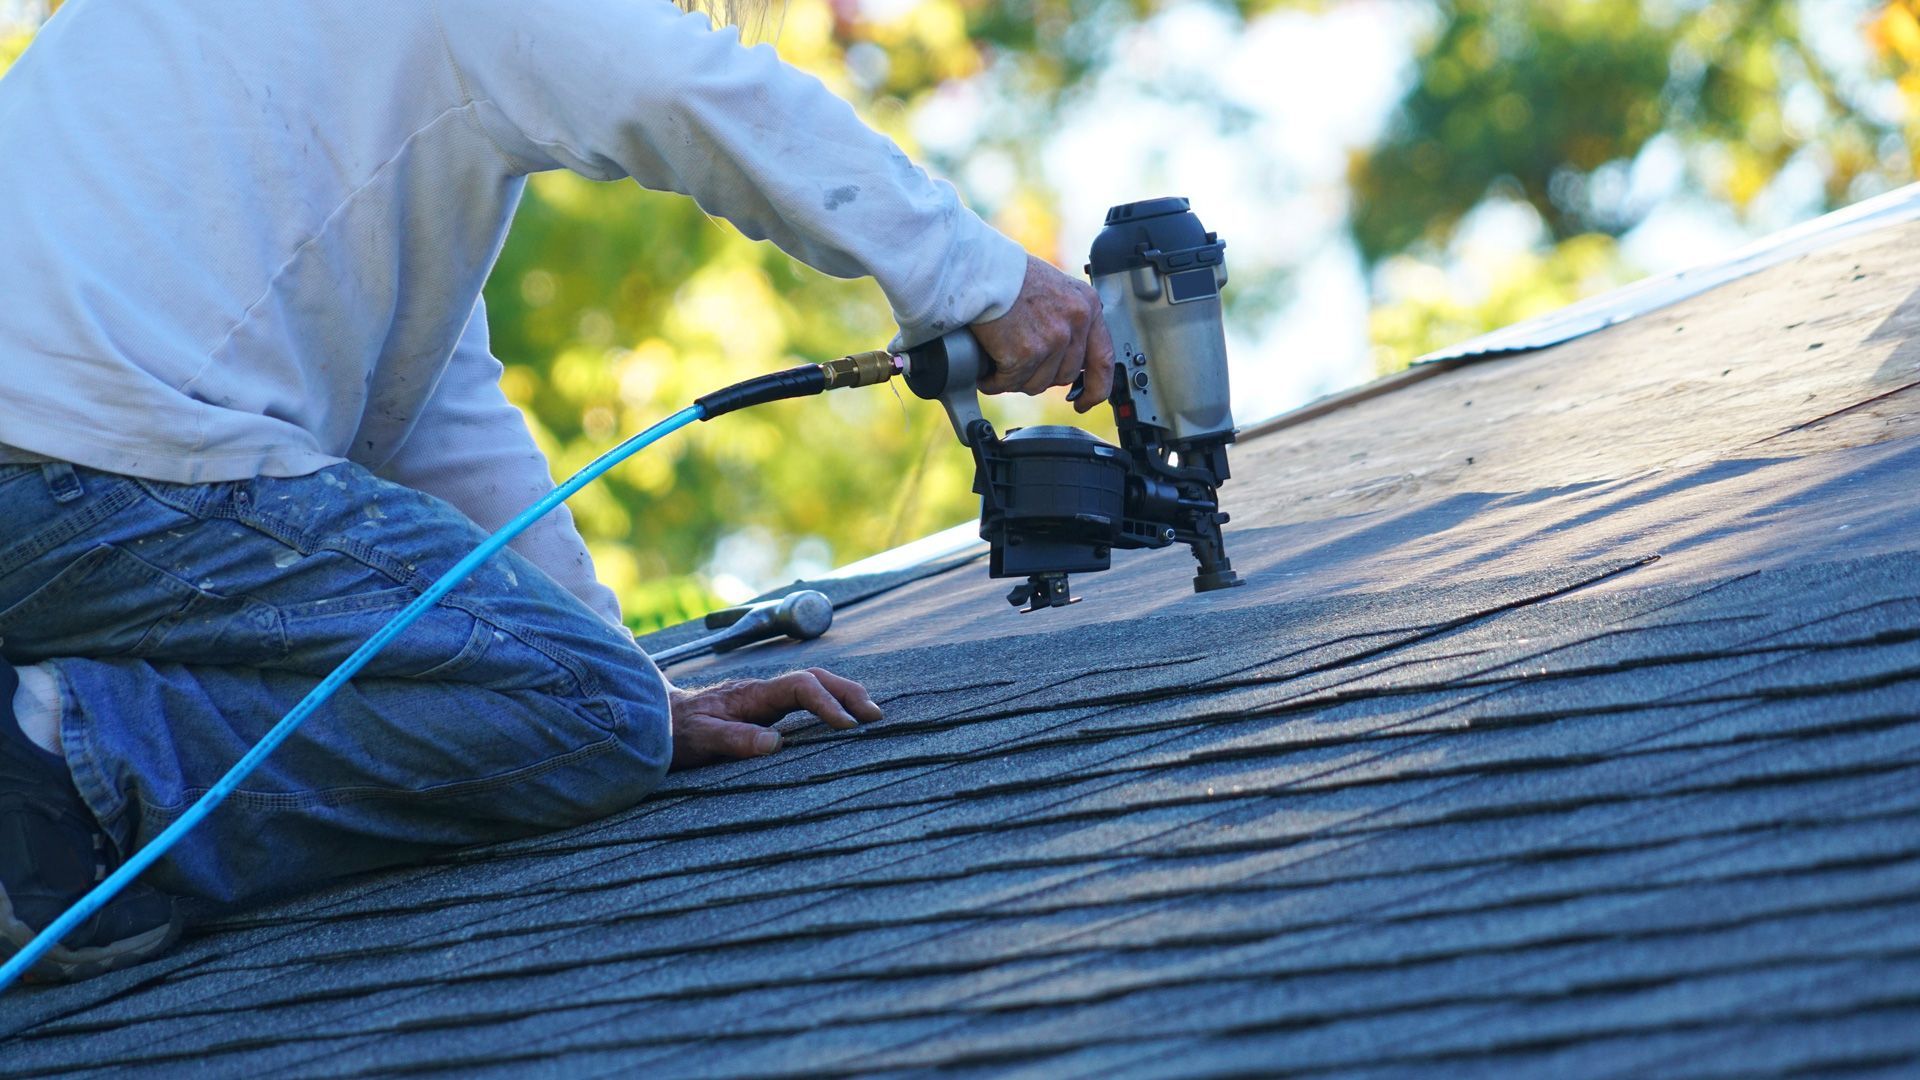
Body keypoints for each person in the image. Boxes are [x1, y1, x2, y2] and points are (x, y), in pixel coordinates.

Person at [0, 0, 1115, 983]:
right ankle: (46, 776)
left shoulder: (320, 89)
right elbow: (679, 84)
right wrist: (978, 275)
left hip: (66, 466)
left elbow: (439, 412)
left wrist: (624, 683)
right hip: (90, 458)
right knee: (586, 717)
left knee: (594, 707)